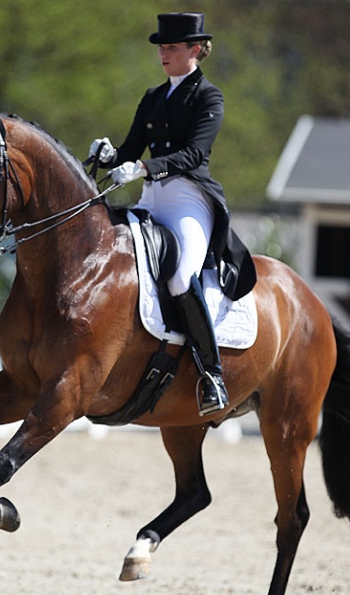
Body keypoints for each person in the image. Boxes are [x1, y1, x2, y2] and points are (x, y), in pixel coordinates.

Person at [88, 12, 255, 416]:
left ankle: (211, 373)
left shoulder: (208, 97)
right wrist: (110, 155)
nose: (163, 53)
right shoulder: (152, 96)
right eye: (161, 47)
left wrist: (145, 166)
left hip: (188, 200)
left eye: (172, 47)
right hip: (151, 197)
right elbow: (130, 151)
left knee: (181, 276)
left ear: (195, 50)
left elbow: (195, 154)